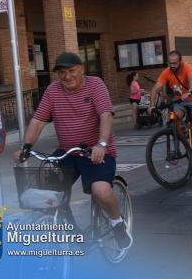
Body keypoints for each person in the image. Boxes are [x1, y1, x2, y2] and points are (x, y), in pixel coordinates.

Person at [14, 52, 132, 250]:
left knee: (100, 190)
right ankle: (71, 229)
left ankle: (116, 222)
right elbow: (38, 120)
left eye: (71, 71)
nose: (67, 76)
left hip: (96, 153)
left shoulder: (95, 85)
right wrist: (26, 148)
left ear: (82, 69)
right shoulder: (53, 91)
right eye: (62, 72)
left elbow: (105, 115)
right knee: (45, 175)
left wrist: (102, 144)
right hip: (67, 152)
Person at [150, 50, 192, 152]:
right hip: (179, 101)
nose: (171, 65)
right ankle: (180, 142)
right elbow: (156, 88)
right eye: (170, 63)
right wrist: (151, 105)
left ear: (180, 61)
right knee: (174, 118)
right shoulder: (167, 72)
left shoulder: (188, 68)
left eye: (174, 63)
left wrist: (189, 92)